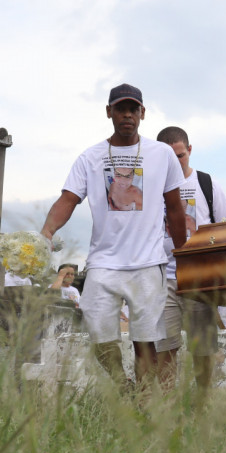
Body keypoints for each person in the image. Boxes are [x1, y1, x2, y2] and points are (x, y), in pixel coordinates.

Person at [42, 84, 187, 381]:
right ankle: (123, 386)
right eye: (120, 109)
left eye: (133, 109)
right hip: (104, 263)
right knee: (99, 336)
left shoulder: (161, 154)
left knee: (145, 341)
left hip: (148, 263)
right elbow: (68, 199)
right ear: (109, 112)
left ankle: (144, 403)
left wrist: (184, 258)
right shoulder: (90, 157)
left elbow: (175, 209)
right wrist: (45, 233)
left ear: (143, 113)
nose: (127, 115)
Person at [153, 125, 226, 388]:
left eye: (180, 156)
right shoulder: (153, 188)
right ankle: (166, 411)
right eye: (169, 157)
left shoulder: (206, 184)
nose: (175, 163)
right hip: (162, 277)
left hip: (199, 279)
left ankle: (201, 407)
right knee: (164, 349)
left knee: (202, 350)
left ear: (189, 151)